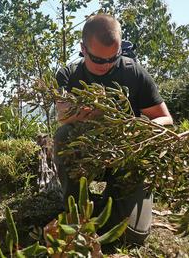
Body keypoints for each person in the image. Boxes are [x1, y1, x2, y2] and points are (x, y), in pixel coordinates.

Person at [54, 14, 173, 244]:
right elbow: (62, 114)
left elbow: (166, 119)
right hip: (88, 158)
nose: (106, 65)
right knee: (63, 137)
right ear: (83, 49)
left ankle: (114, 201)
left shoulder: (134, 73)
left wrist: (139, 127)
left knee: (133, 236)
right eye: (98, 60)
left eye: (114, 58)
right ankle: (75, 208)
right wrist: (98, 112)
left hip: (127, 157)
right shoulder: (68, 75)